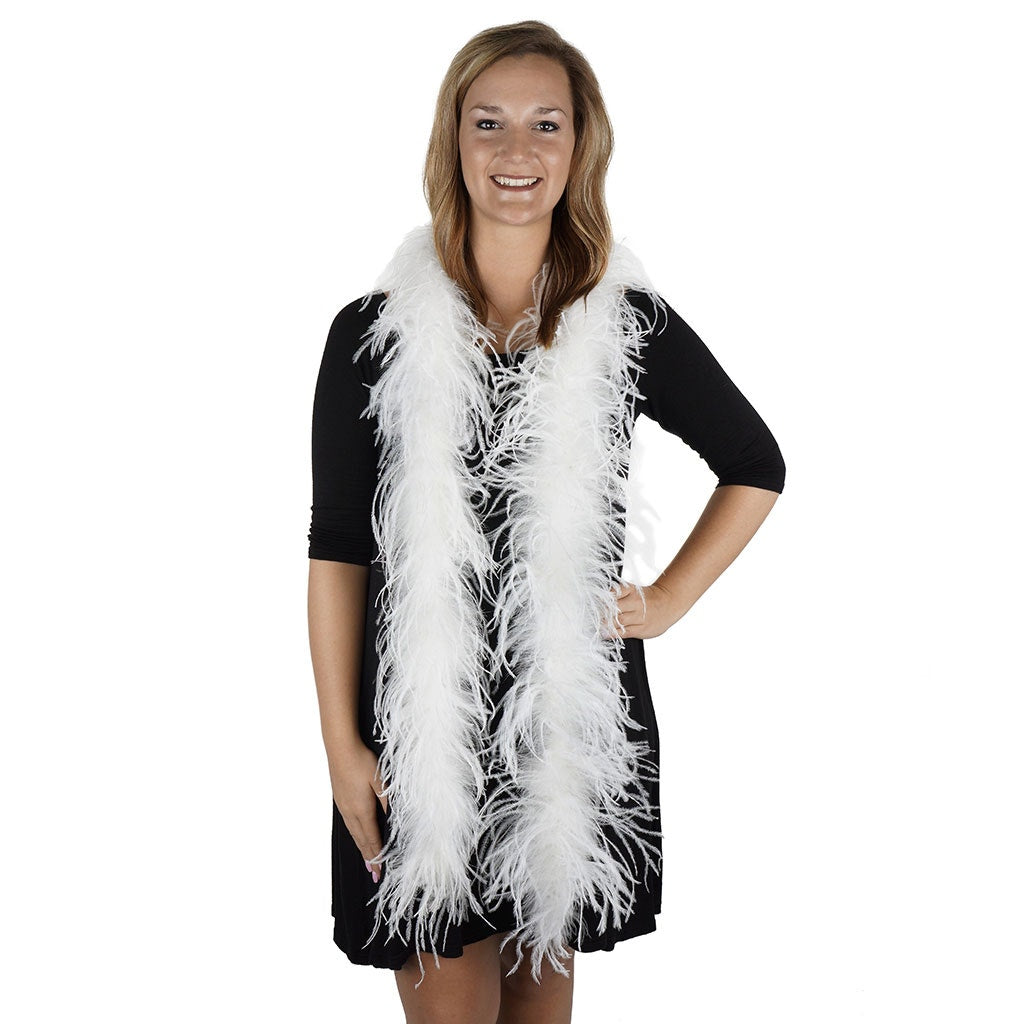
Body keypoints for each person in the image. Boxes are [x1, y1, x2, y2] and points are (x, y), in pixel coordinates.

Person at [307, 19, 786, 1024]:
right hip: (417, 728)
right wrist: (342, 745)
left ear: (580, 146)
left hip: (564, 724)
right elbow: (339, 548)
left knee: (541, 1000)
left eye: (545, 124)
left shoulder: (625, 323)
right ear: (452, 141)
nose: (515, 151)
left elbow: (754, 464)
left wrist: (667, 600)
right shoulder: (370, 335)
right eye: (488, 123)